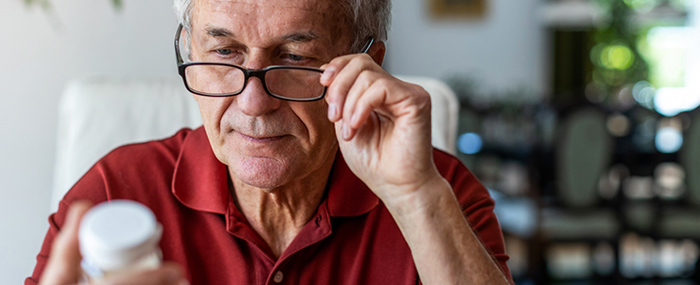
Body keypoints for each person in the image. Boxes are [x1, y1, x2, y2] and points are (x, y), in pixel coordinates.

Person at [27, 0, 513, 284]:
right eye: (223, 52)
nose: (253, 102)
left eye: (295, 57)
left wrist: (415, 199)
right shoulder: (116, 192)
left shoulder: (440, 193)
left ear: (369, 66)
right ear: (188, 49)